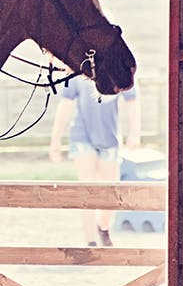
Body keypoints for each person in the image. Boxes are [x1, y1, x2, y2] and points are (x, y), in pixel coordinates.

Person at [49, 76, 140, 246]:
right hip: (82, 136)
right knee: (87, 189)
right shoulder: (77, 72)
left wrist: (135, 132)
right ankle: (90, 241)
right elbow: (66, 104)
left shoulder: (115, 69)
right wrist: (56, 139)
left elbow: (132, 101)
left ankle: (103, 227)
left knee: (111, 192)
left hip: (110, 139)